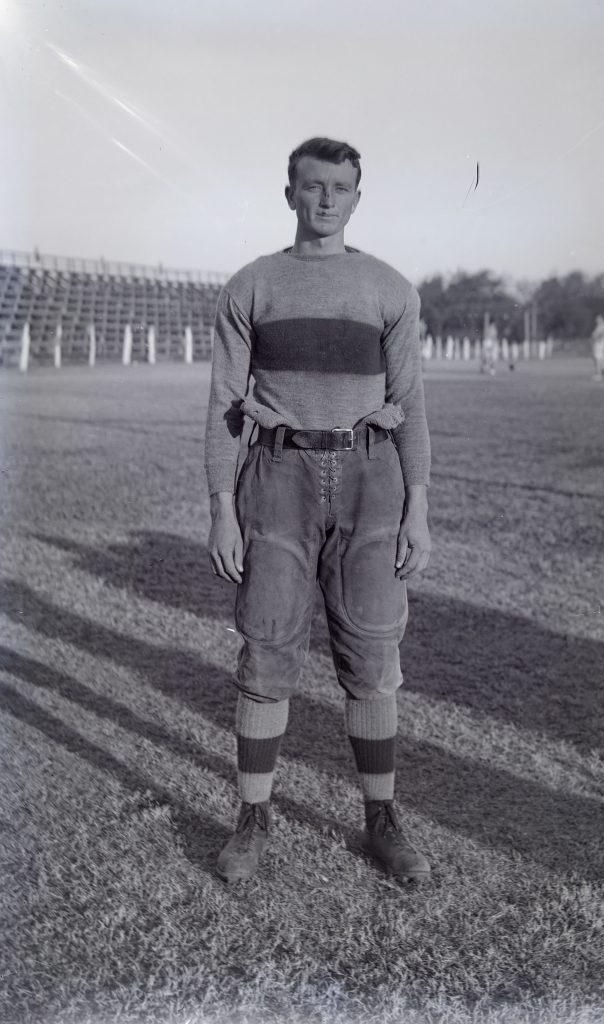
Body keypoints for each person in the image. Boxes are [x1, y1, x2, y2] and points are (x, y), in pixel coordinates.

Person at [204, 137, 432, 886]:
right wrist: (221, 508)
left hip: (371, 477)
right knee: (267, 644)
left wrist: (419, 504)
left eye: (340, 187)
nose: (327, 199)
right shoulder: (253, 286)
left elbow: (412, 404)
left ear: (358, 198)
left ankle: (382, 819)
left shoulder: (389, 288)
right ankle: (252, 818)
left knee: (372, 652)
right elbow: (224, 408)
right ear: (290, 193)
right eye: (313, 186)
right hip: (278, 474)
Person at [590, 315, 604, 380]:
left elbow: (595, 335)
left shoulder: (602, 326)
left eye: (598, 318)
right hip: (601, 344)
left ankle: (599, 374)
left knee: (598, 359)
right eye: (596, 319)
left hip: (600, 344)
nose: (597, 320)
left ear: (602, 319)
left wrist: (595, 337)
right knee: (601, 360)